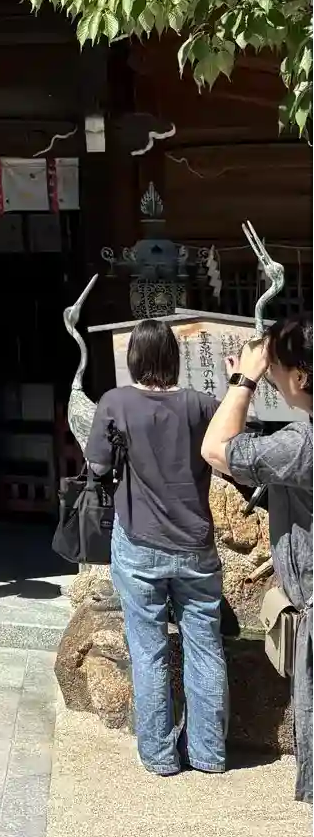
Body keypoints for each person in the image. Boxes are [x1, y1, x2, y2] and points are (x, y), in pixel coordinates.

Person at [85, 317, 226, 778]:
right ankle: (208, 753)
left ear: (133, 359)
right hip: (195, 543)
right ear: (173, 358)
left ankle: (161, 756)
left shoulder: (116, 402)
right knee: (205, 647)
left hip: (139, 540)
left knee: (148, 651)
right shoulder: (202, 405)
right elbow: (236, 441)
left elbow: (97, 466)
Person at [202, 316, 313, 805]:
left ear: (301, 375)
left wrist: (243, 380)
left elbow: (215, 449)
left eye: (278, 367)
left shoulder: (303, 446)